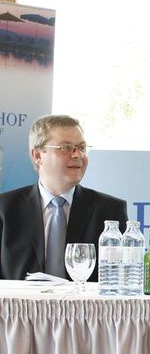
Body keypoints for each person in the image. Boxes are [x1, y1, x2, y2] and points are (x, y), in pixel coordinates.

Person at [0, 114, 128, 281]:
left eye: (81, 148)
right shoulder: (5, 208)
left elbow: (120, 280)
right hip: (15, 306)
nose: (77, 155)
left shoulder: (109, 210)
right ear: (38, 156)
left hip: (87, 306)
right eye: (66, 148)